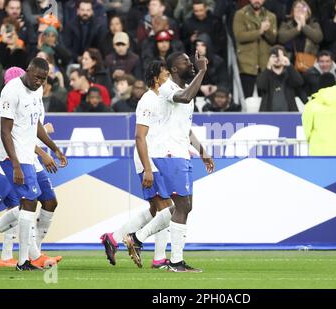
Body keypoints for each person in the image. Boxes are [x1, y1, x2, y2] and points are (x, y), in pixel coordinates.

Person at [124, 51, 214, 272]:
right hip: (168, 155)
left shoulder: (181, 90)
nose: (190, 63)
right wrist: (202, 70)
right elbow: (185, 97)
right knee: (182, 206)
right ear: (174, 69)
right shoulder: (167, 88)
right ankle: (175, 260)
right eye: (185, 61)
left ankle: (138, 238)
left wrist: (202, 152)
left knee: (184, 206)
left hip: (179, 153)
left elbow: (185, 127)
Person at [0, 65, 63, 268]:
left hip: (23, 157)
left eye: (43, 79)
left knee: (26, 205)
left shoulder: (35, 91)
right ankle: (19, 256)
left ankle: (22, 256)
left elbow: (31, 127)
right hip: (5, 160)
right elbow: (0, 132)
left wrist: (53, 147)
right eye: (36, 77)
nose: (39, 82)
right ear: (26, 74)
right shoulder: (7, 98)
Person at [101, 61, 174, 268]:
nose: (168, 77)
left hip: (159, 157)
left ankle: (113, 238)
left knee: (155, 209)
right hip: (149, 158)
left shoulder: (163, 99)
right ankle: (158, 257)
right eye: (165, 74)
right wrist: (148, 167)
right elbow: (139, 136)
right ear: (155, 78)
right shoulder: (148, 101)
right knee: (166, 209)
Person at [302, 72, 336, 156]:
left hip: (318, 152)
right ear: (335, 84)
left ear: (319, 85)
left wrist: (313, 140)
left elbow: (307, 130)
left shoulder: (311, 105)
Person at [233, 0, 278, 98]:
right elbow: (240, 36)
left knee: (266, 98)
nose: (257, 1)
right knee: (246, 98)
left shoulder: (271, 16)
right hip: (246, 64)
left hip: (265, 64)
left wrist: (267, 30)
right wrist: (260, 31)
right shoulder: (240, 14)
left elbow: (274, 39)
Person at [256, 45, 304, 111]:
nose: (277, 58)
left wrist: (289, 65)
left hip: (289, 116)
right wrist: (268, 67)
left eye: (280, 56)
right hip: (268, 117)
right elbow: (260, 85)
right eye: (274, 56)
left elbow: (299, 82)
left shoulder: (289, 73)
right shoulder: (266, 74)